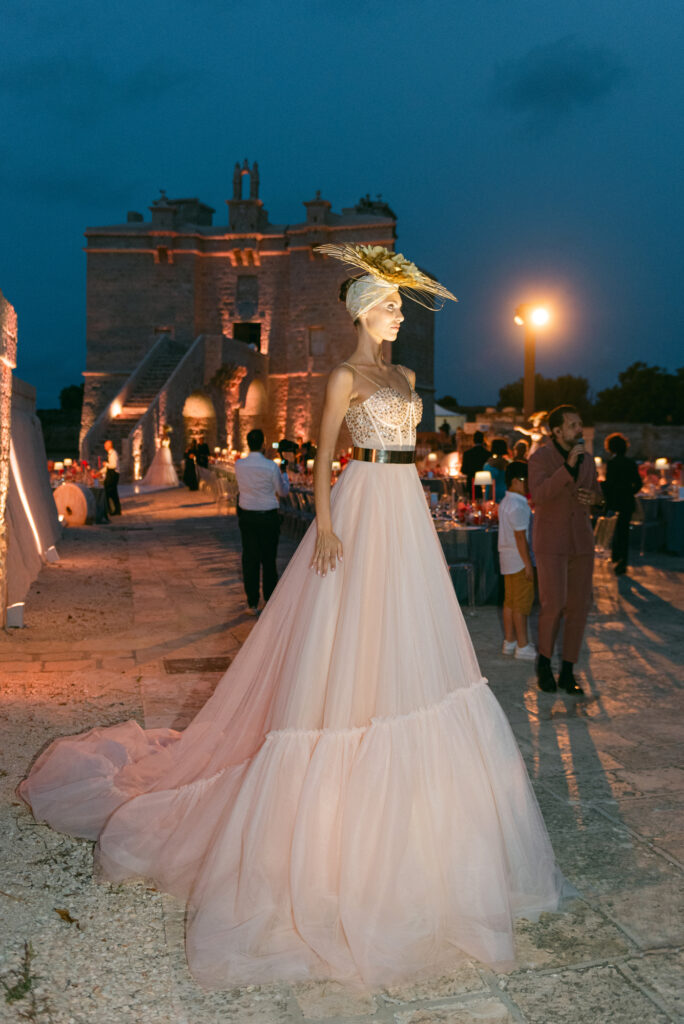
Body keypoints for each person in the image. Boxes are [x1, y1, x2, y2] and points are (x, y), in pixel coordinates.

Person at [19, 244, 562, 990]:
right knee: (348, 633)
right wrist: (329, 525)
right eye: (390, 304)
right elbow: (326, 456)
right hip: (365, 501)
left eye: (401, 305)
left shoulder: (402, 376)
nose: (399, 315)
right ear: (360, 309)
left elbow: (409, 442)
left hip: (405, 509)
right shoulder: (343, 374)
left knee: (415, 639)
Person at [528, 405, 600, 695]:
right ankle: (544, 665)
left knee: (579, 608)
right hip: (551, 543)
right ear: (556, 430)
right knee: (553, 606)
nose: (579, 429)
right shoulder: (540, 458)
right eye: (572, 425)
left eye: (580, 424)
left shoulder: (589, 460)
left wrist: (596, 499)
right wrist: (568, 468)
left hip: (581, 541)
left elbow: (599, 494)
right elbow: (540, 496)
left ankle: (568, 670)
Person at [234, 428, 290, 615]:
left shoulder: (239, 465)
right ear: (263, 444)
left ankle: (252, 601)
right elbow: (282, 492)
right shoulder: (270, 467)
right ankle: (269, 598)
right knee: (268, 560)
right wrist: (285, 474)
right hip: (267, 516)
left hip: (248, 516)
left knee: (250, 559)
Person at [498, 461, 535, 660]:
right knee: (521, 604)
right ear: (516, 481)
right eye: (526, 480)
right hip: (519, 560)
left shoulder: (506, 502)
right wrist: (528, 564)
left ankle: (510, 641)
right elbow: (521, 538)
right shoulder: (519, 505)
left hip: (507, 558)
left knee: (510, 602)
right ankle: (523, 645)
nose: (529, 484)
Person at [603, 432, 642, 575]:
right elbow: (638, 483)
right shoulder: (630, 463)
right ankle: (621, 561)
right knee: (623, 532)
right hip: (627, 502)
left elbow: (609, 484)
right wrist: (629, 492)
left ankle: (616, 557)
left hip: (615, 501)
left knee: (615, 530)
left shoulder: (612, 464)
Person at [461, 430, 489, 496]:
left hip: (471, 483)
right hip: (485, 483)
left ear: (473, 440)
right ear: (483, 440)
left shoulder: (467, 454)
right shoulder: (488, 454)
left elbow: (463, 470)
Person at [101, 439, 121, 516]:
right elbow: (108, 467)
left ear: (109, 446)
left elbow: (113, 465)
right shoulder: (110, 454)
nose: (104, 447)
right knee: (112, 493)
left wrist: (106, 464)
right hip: (111, 474)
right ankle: (114, 510)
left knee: (109, 492)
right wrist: (100, 472)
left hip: (113, 475)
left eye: (105, 445)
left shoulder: (113, 454)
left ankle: (113, 510)